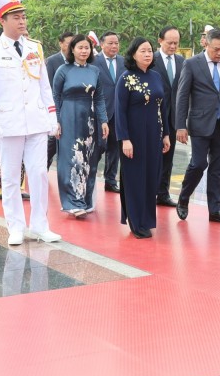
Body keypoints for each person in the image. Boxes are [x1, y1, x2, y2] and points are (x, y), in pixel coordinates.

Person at [0, 0, 61, 245]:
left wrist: (51, 116)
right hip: (8, 123)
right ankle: (15, 226)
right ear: (3, 21)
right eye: (16, 17)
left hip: (35, 121)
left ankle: (39, 225)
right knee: (11, 177)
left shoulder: (35, 47)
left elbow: (44, 86)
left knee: (38, 174)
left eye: (23, 17)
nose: (22, 21)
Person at [175, 27, 220, 225]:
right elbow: (182, 96)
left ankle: (216, 210)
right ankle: (184, 196)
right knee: (198, 164)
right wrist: (181, 125)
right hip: (199, 124)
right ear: (206, 44)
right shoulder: (191, 64)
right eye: (216, 49)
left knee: (218, 168)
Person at [115, 37, 170, 238]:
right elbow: (120, 111)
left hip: (154, 133)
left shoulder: (156, 76)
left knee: (150, 177)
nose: (147, 54)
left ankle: (146, 219)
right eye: (142, 51)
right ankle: (136, 222)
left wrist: (165, 134)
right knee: (134, 178)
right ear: (133, 54)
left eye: (149, 51)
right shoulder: (126, 78)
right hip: (134, 136)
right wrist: (124, 139)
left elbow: (162, 106)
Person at [52, 33, 108, 216]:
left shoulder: (94, 71)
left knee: (89, 160)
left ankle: (85, 200)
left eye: (87, 48)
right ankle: (71, 203)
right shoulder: (63, 70)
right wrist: (56, 120)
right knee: (70, 159)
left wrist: (104, 120)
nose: (84, 51)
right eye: (80, 47)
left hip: (89, 120)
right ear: (72, 50)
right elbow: (55, 97)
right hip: (68, 117)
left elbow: (99, 98)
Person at [154, 26, 185, 208]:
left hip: (173, 118)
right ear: (160, 41)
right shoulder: (151, 59)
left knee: (168, 157)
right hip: (153, 116)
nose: (173, 46)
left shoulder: (182, 62)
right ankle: (148, 190)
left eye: (176, 43)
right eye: (169, 43)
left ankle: (163, 193)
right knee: (152, 156)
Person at [91, 31, 125, 193]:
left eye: (116, 43)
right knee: (99, 145)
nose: (114, 46)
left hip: (118, 111)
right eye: (110, 43)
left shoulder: (124, 62)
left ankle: (110, 180)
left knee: (115, 147)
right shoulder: (93, 62)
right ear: (102, 44)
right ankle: (90, 174)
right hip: (100, 112)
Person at [46, 31, 75, 169]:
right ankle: (43, 164)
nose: (71, 47)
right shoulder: (52, 61)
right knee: (53, 141)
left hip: (73, 108)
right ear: (61, 43)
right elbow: (49, 86)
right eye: (68, 44)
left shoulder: (77, 61)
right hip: (57, 107)